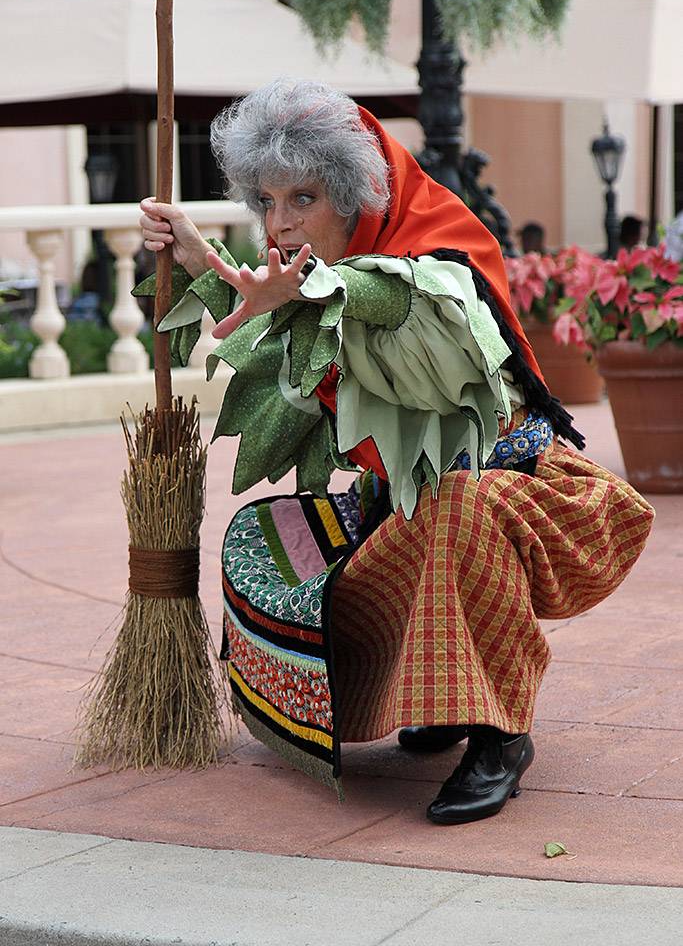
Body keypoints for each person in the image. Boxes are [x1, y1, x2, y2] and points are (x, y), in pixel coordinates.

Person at [138, 79, 654, 825]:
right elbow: (272, 339)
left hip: (523, 500)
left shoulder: (436, 250)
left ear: (354, 196)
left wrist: (319, 292)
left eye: (302, 200)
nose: (279, 224)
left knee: (456, 511)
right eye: (266, 202)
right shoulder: (301, 280)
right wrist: (197, 261)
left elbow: (402, 298)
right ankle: (439, 693)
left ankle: (499, 734)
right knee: (269, 544)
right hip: (402, 508)